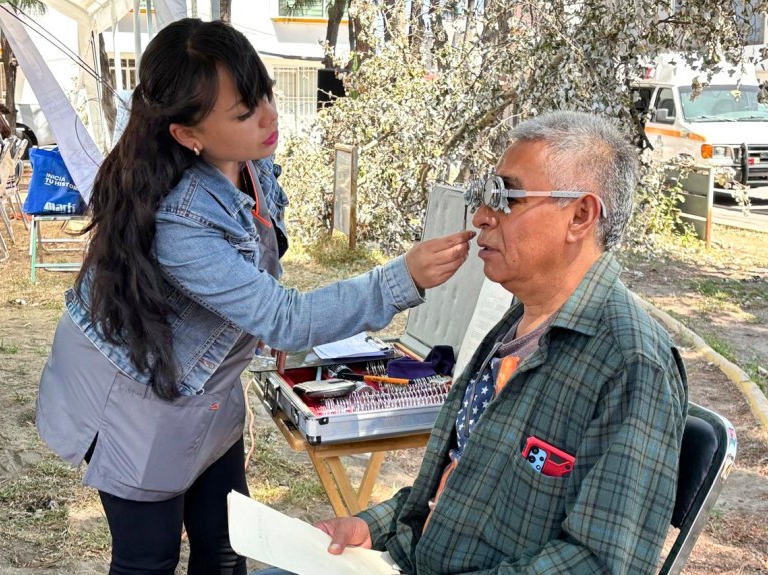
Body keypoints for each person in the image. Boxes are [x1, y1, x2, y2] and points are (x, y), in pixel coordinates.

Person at [35, 18, 472, 575]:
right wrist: (400, 278)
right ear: (187, 135)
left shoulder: (250, 159)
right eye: (244, 112)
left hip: (206, 390)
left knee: (226, 545)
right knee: (149, 558)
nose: (269, 116)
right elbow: (284, 318)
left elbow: (259, 272)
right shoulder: (180, 219)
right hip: (137, 397)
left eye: (264, 92)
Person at [293, 111, 688, 574]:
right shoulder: (519, 322)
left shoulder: (631, 363)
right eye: (485, 196)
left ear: (580, 215)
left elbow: (597, 564)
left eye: (506, 198)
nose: (482, 217)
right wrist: (371, 527)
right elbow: (459, 479)